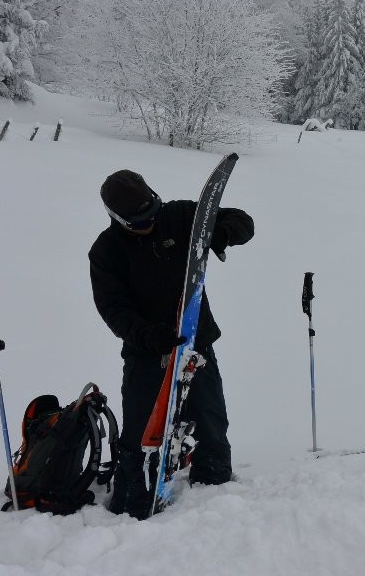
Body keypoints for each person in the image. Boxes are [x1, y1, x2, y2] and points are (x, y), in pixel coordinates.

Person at [88, 169, 254, 518]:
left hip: (196, 342)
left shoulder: (178, 216)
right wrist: (149, 335)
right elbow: (113, 309)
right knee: (140, 430)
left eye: (151, 215)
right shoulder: (106, 252)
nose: (149, 224)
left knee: (210, 419)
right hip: (147, 351)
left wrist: (221, 233)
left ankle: (215, 487)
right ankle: (133, 499)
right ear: (118, 219)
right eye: (139, 222)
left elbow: (243, 221)